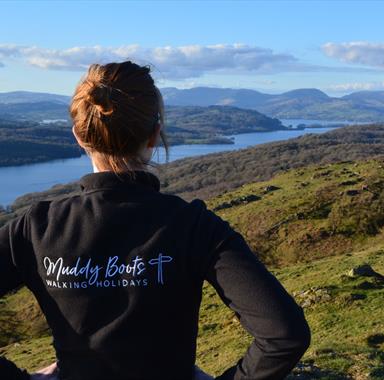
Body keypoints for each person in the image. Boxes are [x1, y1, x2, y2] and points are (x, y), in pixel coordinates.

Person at [0, 61, 311, 380]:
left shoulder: (36, 227)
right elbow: (284, 334)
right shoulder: (194, 227)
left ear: (79, 136)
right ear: (154, 135)